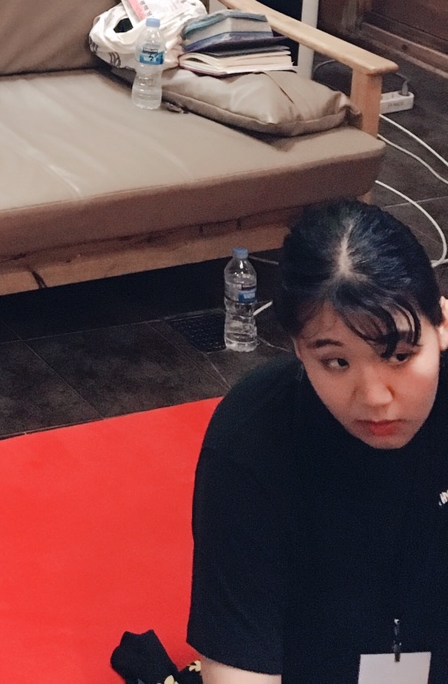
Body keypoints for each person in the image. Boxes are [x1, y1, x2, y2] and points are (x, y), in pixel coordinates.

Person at [188, 198, 448, 684]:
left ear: (443, 325)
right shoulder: (252, 436)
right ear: (299, 349)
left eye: (399, 355)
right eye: (336, 362)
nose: (375, 398)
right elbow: (239, 664)